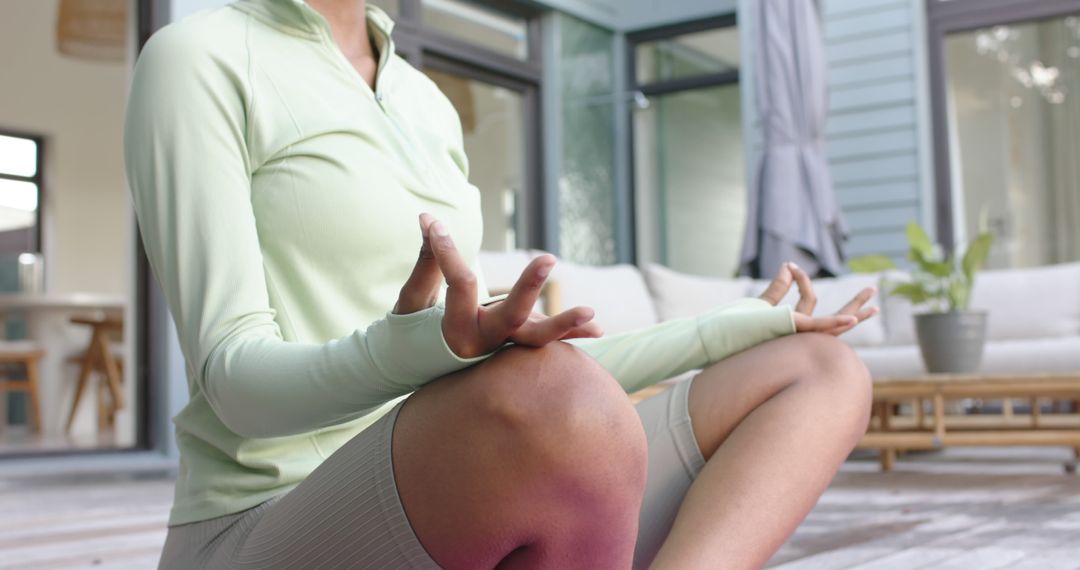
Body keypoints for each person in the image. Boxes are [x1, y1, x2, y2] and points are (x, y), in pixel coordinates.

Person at [124, 0, 877, 568]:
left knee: (818, 371)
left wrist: (730, 329)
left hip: (462, 473)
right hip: (268, 518)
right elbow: (233, 384)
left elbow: (533, 387)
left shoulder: (425, 102)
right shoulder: (199, 57)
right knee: (559, 400)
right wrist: (408, 352)